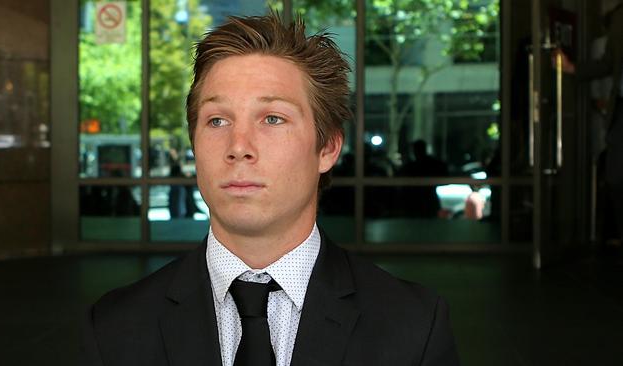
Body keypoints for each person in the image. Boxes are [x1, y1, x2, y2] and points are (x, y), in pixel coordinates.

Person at [81, 13, 459, 366]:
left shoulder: (413, 326)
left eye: (273, 118)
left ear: (327, 147)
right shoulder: (115, 326)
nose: (239, 145)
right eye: (217, 120)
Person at [557, 1, 623, 247]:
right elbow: (608, 63)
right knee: (616, 176)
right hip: (621, 108)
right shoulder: (619, 18)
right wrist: (573, 68)